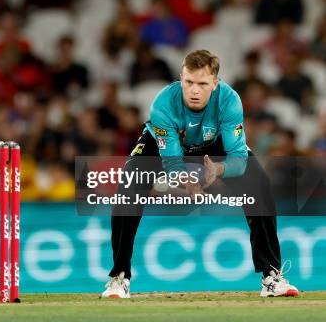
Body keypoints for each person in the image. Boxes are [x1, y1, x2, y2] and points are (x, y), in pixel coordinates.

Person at [102, 50, 299, 299]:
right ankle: (119, 277)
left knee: (258, 182)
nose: (194, 90)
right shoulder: (163, 104)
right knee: (130, 183)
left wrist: (218, 170)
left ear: (214, 83)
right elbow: (173, 162)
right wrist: (187, 182)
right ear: (180, 78)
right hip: (166, 143)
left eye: (202, 84)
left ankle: (271, 276)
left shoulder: (229, 101)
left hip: (214, 144)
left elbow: (238, 158)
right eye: (189, 82)